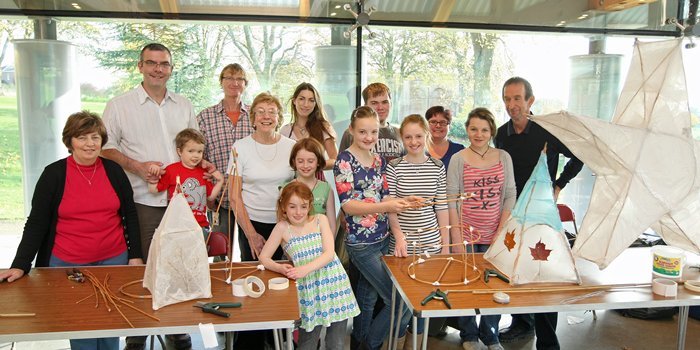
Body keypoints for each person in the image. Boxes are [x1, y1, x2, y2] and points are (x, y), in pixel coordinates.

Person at [0, 111, 143, 350]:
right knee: (82, 328)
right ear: (70, 142)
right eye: (82, 137)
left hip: (114, 261)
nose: (90, 144)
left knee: (111, 324)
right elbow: (36, 223)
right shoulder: (53, 174)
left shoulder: (114, 171)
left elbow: (130, 215)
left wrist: (136, 255)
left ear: (102, 141)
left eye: (95, 137)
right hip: (67, 266)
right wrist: (20, 263)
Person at [101, 42, 198, 350]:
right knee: (143, 270)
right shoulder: (119, 105)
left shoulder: (183, 105)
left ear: (170, 68)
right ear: (140, 66)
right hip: (142, 201)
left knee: (178, 267)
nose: (159, 68)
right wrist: (136, 166)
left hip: (180, 204)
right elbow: (105, 148)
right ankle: (137, 335)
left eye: (164, 63)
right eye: (152, 63)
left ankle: (178, 331)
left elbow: (195, 145)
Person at [495, 77, 583, 350]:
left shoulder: (547, 131)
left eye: (517, 98)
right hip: (514, 214)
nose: (512, 105)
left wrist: (559, 185)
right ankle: (522, 323)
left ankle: (547, 341)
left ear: (530, 101)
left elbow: (579, 157)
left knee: (545, 276)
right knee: (515, 269)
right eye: (507, 99)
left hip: (543, 215)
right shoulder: (501, 133)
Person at [334, 106, 416, 350]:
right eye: (362, 132)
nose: (369, 137)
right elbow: (348, 206)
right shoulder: (344, 160)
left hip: (383, 239)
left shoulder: (379, 160)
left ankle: (359, 342)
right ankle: (371, 344)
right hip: (361, 244)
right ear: (351, 130)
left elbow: (389, 200)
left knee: (367, 298)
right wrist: (386, 204)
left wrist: (399, 234)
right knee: (398, 300)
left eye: (373, 132)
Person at [259, 182, 359, 350]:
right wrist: (280, 268)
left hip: (334, 285)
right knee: (307, 342)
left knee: (336, 343)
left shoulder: (321, 219)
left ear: (309, 206)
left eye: (303, 206)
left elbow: (329, 254)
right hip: (309, 291)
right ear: (284, 207)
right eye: (292, 207)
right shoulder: (282, 228)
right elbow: (264, 257)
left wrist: (305, 269)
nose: (298, 212)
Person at [447, 108, 516, 350]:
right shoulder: (458, 159)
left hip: (494, 233)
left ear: (491, 132)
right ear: (467, 129)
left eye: (484, 129)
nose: (479, 134)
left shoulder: (503, 157)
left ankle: (491, 334)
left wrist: (501, 228)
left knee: (493, 285)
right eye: (474, 129)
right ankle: (468, 335)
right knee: (465, 284)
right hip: (466, 235)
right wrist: (456, 236)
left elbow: (509, 195)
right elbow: (451, 199)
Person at [386, 114, 450, 348]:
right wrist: (400, 237)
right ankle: (395, 343)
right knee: (400, 303)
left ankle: (417, 344)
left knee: (424, 301)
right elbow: (391, 208)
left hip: (431, 244)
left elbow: (442, 206)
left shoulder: (437, 167)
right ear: (402, 139)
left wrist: (445, 245)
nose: (413, 142)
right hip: (401, 246)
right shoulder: (394, 167)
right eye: (408, 137)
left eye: (418, 136)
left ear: (426, 135)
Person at [227, 92, 296, 262]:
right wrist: (251, 235)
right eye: (260, 111)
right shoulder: (240, 147)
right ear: (253, 118)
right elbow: (234, 196)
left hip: (286, 222)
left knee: (284, 276)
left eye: (272, 111)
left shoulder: (291, 147)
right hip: (251, 223)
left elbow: (300, 187)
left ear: (279, 118)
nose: (266, 116)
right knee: (253, 275)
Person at [196, 63, 253, 254]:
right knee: (221, 253)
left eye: (239, 79)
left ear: (245, 84)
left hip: (250, 199)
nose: (234, 83)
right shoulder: (205, 117)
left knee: (251, 252)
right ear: (221, 82)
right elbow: (197, 159)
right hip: (219, 199)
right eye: (229, 78)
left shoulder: (255, 115)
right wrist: (208, 196)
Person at [148, 128, 224, 233]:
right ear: (179, 151)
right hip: (178, 227)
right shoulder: (171, 170)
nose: (196, 155)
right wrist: (153, 175)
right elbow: (154, 190)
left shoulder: (203, 172)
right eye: (191, 151)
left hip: (200, 226)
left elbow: (210, 196)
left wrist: (220, 181)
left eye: (199, 151)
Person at [280, 82, 338, 173]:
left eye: (311, 100)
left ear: (316, 104)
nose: (306, 104)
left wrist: (314, 165)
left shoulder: (324, 128)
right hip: (292, 182)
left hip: (316, 182)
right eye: (302, 99)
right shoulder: (285, 131)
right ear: (294, 101)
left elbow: (336, 160)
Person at [338, 82, 404, 162]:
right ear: (365, 105)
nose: (380, 107)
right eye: (374, 103)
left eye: (384, 102)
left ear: (391, 104)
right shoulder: (351, 133)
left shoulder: (400, 133)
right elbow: (341, 164)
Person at [286, 137, 337, 235]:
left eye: (310, 161)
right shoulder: (286, 189)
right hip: (295, 247)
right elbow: (282, 224)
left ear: (318, 162)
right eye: (300, 161)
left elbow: (332, 226)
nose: (305, 166)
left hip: (323, 246)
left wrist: (329, 247)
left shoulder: (326, 189)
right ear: (294, 162)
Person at [426, 105, 464, 170]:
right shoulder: (417, 148)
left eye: (443, 122)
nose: (438, 125)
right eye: (433, 122)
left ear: (449, 125)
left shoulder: (459, 150)